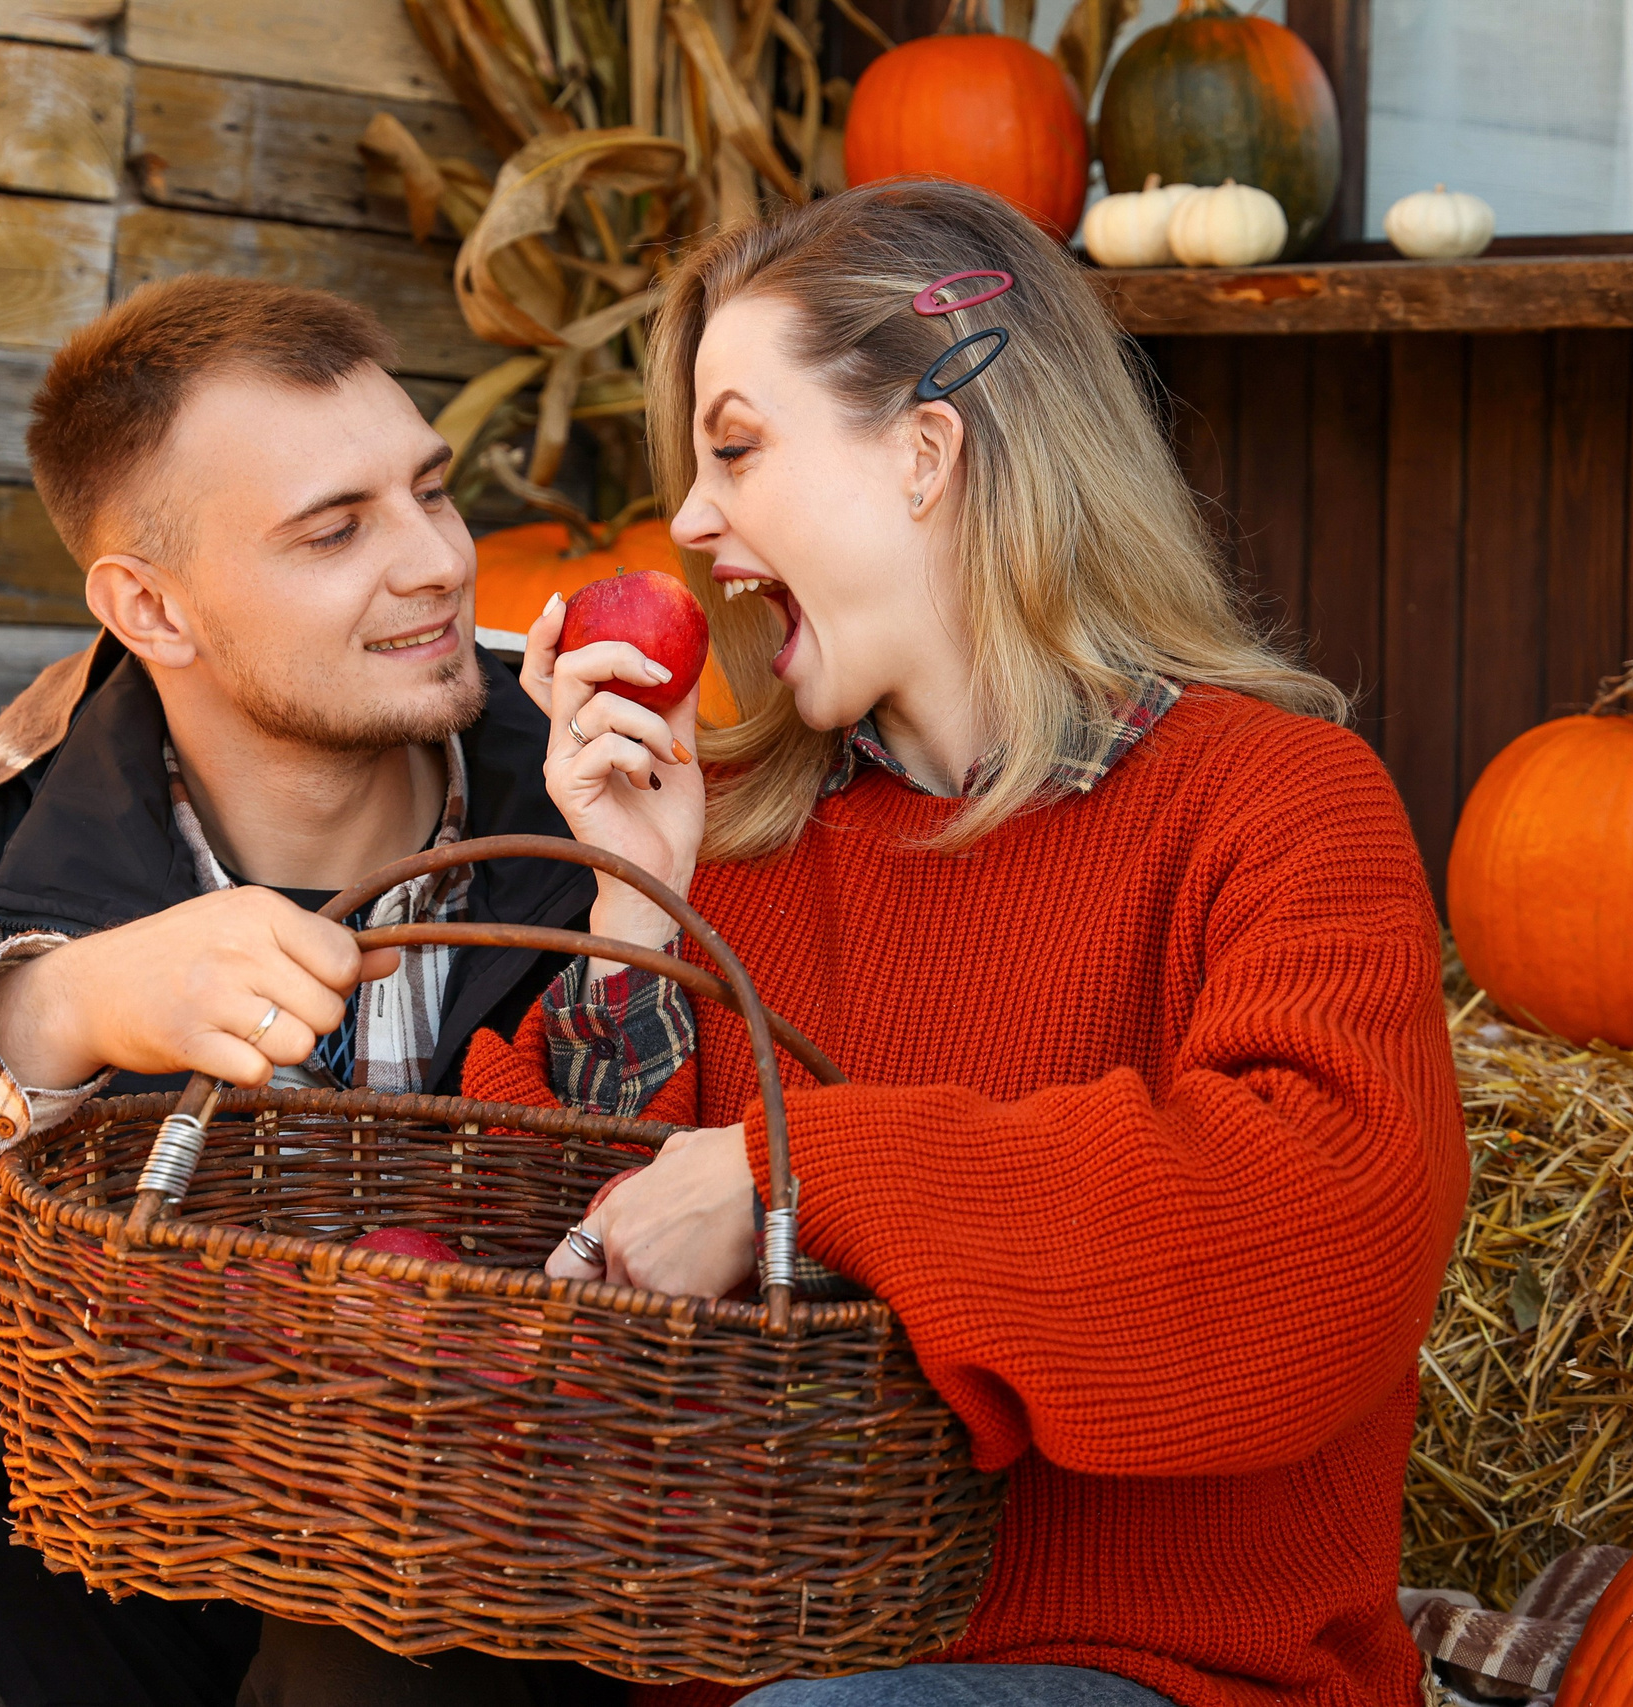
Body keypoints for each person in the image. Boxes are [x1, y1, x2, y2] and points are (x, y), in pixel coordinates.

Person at [471, 180, 1470, 1707]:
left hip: (1153, 1670)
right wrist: (629, 914)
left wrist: (790, 1173)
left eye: (735, 448)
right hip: (710, 1665)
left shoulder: (1276, 803)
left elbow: (1316, 1238)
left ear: (927, 451)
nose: (687, 522)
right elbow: (543, 1305)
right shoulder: (714, 831)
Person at [0, 275, 617, 1707]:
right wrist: (54, 1014)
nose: (434, 562)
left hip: (491, 1550)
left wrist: (630, 881)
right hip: (109, 1525)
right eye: (337, 529)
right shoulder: (8, 854)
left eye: (430, 491)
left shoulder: (587, 776)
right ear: (150, 608)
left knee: (371, 1649)